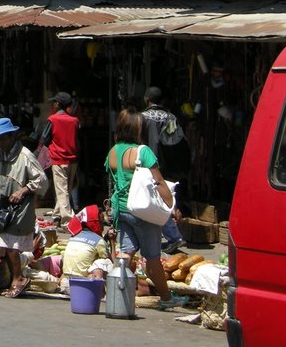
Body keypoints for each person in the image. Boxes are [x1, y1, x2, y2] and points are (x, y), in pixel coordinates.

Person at [106, 106, 188, 310]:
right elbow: (158, 181)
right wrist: (171, 206)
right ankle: (167, 298)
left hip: (121, 209)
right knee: (152, 257)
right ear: (137, 128)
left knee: (125, 254)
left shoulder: (113, 152)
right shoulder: (143, 151)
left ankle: (118, 292)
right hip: (142, 211)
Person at [0, 116, 49, 298]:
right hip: (4, 207)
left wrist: (23, 190)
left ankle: (18, 278)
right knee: (3, 246)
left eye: (3, 139)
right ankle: (15, 277)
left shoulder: (25, 156)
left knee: (12, 245)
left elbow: (41, 181)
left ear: (12, 136)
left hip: (22, 207)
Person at [142, 86, 190, 254]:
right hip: (166, 166)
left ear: (147, 99)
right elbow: (178, 141)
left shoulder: (141, 118)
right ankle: (165, 236)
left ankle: (173, 236)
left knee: (150, 201)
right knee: (162, 200)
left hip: (146, 165)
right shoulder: (171, 117)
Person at [40, 90, 79, 225]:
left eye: (54, 103)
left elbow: (45, 138)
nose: (53, 105)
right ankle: (57, 213)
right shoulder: (74, 121)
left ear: (58, 104)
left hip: (58, 159)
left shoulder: (53, 119)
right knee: (66, 189)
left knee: (61, 191)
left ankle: (67, 220)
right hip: (72, 159)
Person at [59, 204, 111, 294]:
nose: (103, 226)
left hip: (65, 283)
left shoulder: (73, 236)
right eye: (101, 222)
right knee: (104, 262)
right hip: (84, 286)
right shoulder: (99, 241)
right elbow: (111, 262)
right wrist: (112, 242)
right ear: (94, 223)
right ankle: (100, 290)